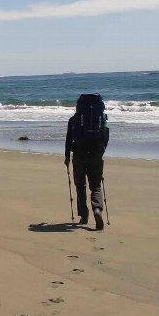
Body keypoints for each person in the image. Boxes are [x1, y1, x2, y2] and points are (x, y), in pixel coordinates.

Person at [64, 93, 109, 229]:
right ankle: (97, 210)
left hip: (78, 154)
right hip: (96, 154)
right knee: (95, 186)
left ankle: (84, 215)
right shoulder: (102, 118)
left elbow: (68, 140)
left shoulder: (73, 119)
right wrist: (101, 152)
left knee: (80, 186)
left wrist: (67, 157)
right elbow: (106, 137)